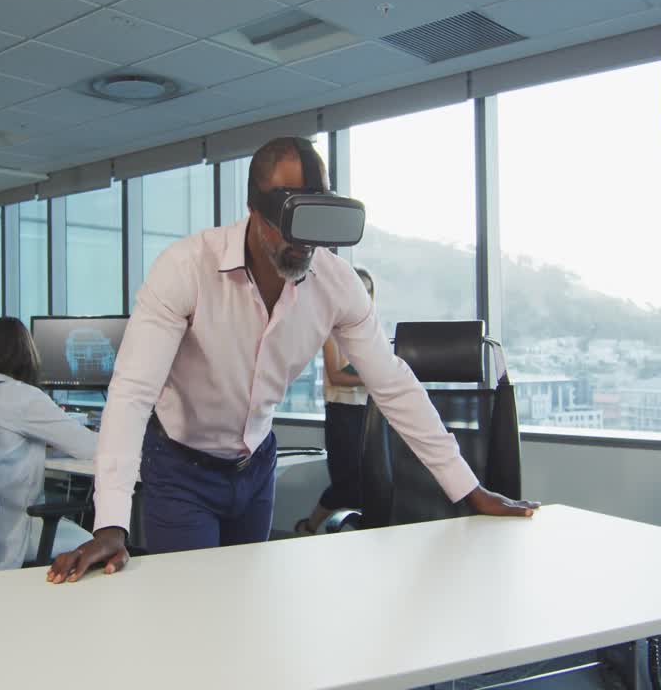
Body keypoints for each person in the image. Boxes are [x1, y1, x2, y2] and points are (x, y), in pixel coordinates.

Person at [49, 136, 538, 584]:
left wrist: (470, 489)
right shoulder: (186, 269)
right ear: (254, 212)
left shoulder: (336, 285)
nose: (300, 242)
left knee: (247, 603)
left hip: (255, 466)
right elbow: (133, 391)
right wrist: (110, 522)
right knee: (190, 612)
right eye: (287, 221)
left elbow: (391, 384)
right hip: (181, 468)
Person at [0, 316, 96, 570]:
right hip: (10, 533)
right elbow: (90, 448)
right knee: (93, 543)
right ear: (26, 354)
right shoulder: (24, 398)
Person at [296, 267, 375, 535]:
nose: (363, 295)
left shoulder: (369, 330)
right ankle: (309, 526)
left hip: (367, 412)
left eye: (368, 290)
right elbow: (336, 376)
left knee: (366, 481)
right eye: (358, 289)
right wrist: (372, 376)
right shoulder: (331, 329)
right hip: (342, 413)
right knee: (345, 484)